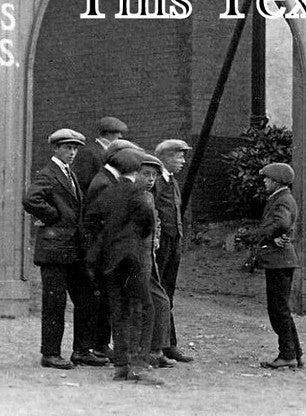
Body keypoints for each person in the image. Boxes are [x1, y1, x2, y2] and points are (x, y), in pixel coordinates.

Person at [22, 128, 107, 369]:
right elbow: (30, 200)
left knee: (86, 298)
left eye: (75, 148)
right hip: (54, 250)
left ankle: (81, 351)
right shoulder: (48, 173)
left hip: (72, 250)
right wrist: (55, 216)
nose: (72, 152)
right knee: (54, 303)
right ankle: (50, 354)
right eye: (67, 148)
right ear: (56, 148)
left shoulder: (69, 173)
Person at [88, 148, 165, 385]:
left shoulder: (108, 191)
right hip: (131, 260)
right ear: (135, 170)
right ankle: (139, 366)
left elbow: (92, 221)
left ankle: (121, 366)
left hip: (109, 261)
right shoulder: (138, 193)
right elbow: (148, 222)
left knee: (119, 312)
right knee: (144, 308)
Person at [250, 163, 303, 370]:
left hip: (279, 261)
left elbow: (282, 223)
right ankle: (294, 353)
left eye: (267, 179)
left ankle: (288, 354)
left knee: (278, 310)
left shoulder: (282, 199)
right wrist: (277, 236)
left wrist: (267, 236)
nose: (264, 181)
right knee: (282, 310)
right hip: (281, 260)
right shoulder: (283, 198)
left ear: (276, 182)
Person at [152, 140, 194, 364]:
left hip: (173, 242)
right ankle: (158, 345)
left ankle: (169, 344)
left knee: (168, 293)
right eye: (179, 157)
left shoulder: (173, 182)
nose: (183, 161)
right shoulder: (156, 181)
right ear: (166, 157)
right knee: (158, 294)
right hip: (161, 244)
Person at [73, 116, 127, 193]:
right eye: (117, 132)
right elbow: (82, 181)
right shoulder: (89, 152)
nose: (120, 136)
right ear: (108, 133)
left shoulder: (113, 151)